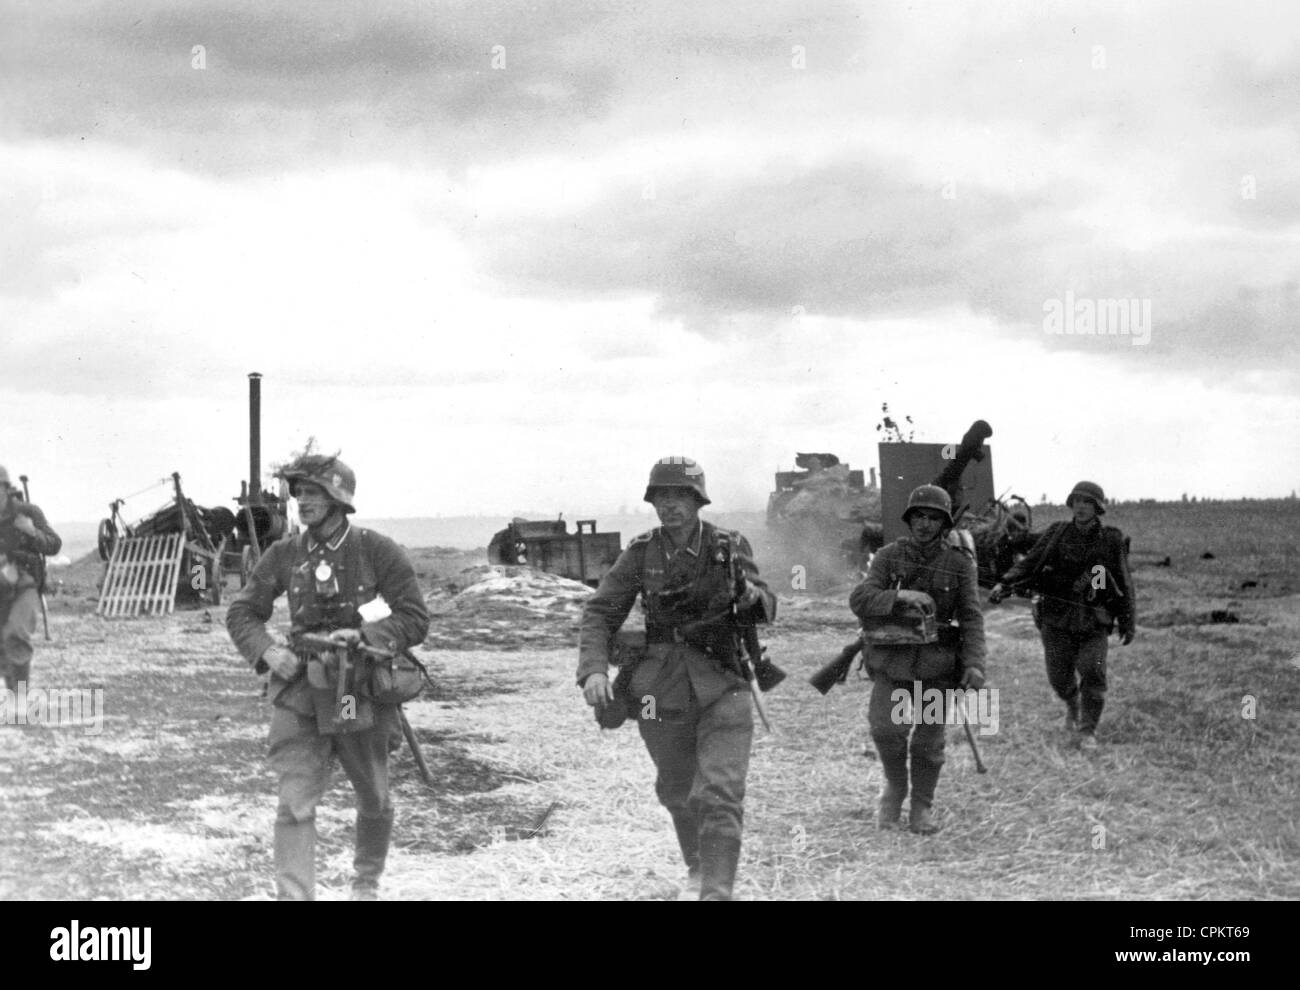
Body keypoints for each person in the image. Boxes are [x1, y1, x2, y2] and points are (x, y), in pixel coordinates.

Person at [226, 454, 429, 900]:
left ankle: (365, 885)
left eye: (312, 492)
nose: (302, 501)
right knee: (294, 803)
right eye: (298, 492)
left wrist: (364, 633)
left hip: (353, 690)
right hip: (299, 687)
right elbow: (242, 612)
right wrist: (267, 651)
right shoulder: (284, 554)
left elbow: (414, 617)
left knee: (373, 795)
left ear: (339, 499)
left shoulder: (376, 550)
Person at [577, 457, 776, 901]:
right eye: (662, 496)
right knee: (676, 787)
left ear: (697, 500)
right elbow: (599, 612)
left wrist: (747, 596)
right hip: (658, 691)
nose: (670, 505)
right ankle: (697, 869)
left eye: (680, 495)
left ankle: (717, 892)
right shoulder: (642, 551)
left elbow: (770, 606)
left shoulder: (728, 545)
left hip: (725, 681)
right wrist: (593, 669)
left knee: (720, 792)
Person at [849, 484, 986, 834]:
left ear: (945, 523)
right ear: (910, 520)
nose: (925, 524)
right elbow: (861, 598)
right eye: (919, 517)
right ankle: (895, 789)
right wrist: (898, 597)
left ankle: (921, 806)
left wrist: (974, 663)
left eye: (934, 518)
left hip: (937, 666)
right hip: (893, 662)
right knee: (886, 730)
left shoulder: (959, 563)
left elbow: (971, 616)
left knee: (927, 743)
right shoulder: (888, 556)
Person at [989, 481, 1134, 752]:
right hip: (1056, 616)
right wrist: (1005, 582)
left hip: (1093, 617)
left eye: (1087, 502)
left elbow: (1124, 580)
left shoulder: (1111, 539)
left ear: (1097, 508)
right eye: (1077, 501)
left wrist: (1128, 620)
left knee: (1092, 669)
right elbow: (1031, 562)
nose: (1081, 506)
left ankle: (1087, 730)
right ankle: (1072, 702)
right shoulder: (1057, 532)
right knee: (1058, 676)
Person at [0, 466, 61, 691]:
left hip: (26, 584)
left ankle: (20, 700)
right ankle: (14, 693)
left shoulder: (28, 512)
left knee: (15, 634)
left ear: (6, 489)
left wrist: (32, 531)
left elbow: (54, 545)